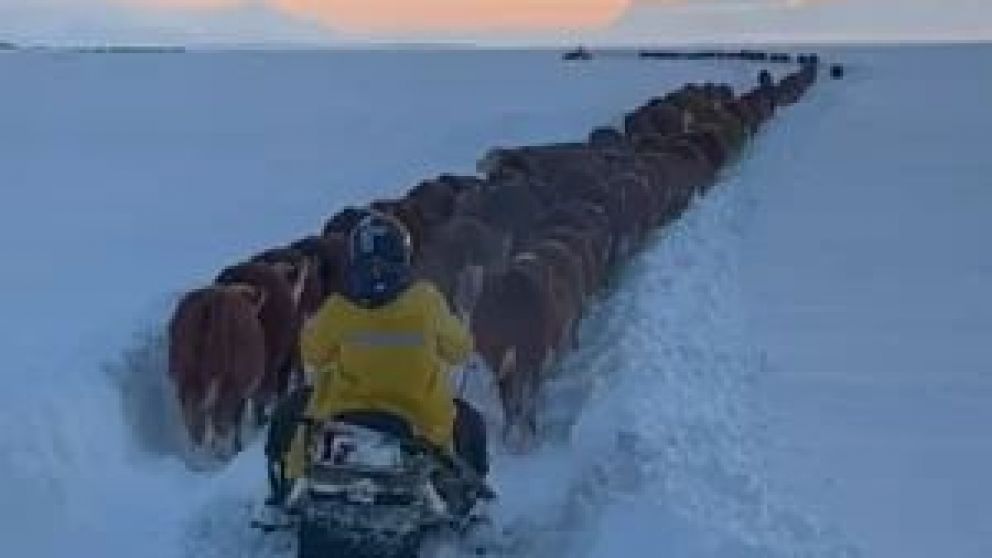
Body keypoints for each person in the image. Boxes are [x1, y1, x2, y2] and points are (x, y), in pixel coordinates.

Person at [267, 210, 488, 508]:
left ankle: (281, 492)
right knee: (471, 423)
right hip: (419, 426)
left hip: (341, 419)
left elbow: (313, 354)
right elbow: (460, 349)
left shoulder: (338, 309)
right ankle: (468, 502)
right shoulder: (427, 302)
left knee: (288, 413)